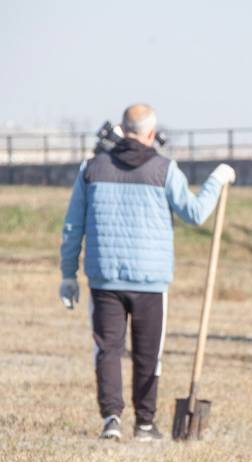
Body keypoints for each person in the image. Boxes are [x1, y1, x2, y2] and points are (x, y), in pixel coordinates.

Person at [59, 104, 234, 442]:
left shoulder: (91, 168)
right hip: (151, 280)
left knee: (107, 350)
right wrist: (217, 179)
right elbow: (196, 214)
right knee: (148, 353)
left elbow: (72, 226)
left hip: (104, 276)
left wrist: (68, 274)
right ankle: (144, 424)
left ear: (123, 131)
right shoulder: (164, 170)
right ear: (151, 134)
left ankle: (112, 419)